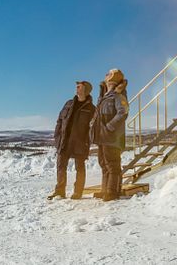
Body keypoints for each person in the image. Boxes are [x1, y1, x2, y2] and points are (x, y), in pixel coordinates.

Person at [47, 80, 95, 200]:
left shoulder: (91, 108)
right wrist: (57, 136)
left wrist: (87, 141)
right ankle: (60, 191)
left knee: (80, 167)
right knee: (61, 166)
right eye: (77, 86)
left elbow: (93, 127)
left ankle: (78, 192)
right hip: (65, 141)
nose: (76, 88)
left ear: (85, 90)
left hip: (80, 142)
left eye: (79, 86)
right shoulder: (68, 103)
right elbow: (59, 120)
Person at [91, 68, 129, 201]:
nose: (105, 75)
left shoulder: (119, 95)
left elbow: (123, 112)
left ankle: (112, 192)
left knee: (112, 164)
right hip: (102, 136)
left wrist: (110, 126)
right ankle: (105, 190)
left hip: (112, 137)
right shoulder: (104, 97)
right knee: (103, 163)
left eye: (108, 73)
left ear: (113, 77)